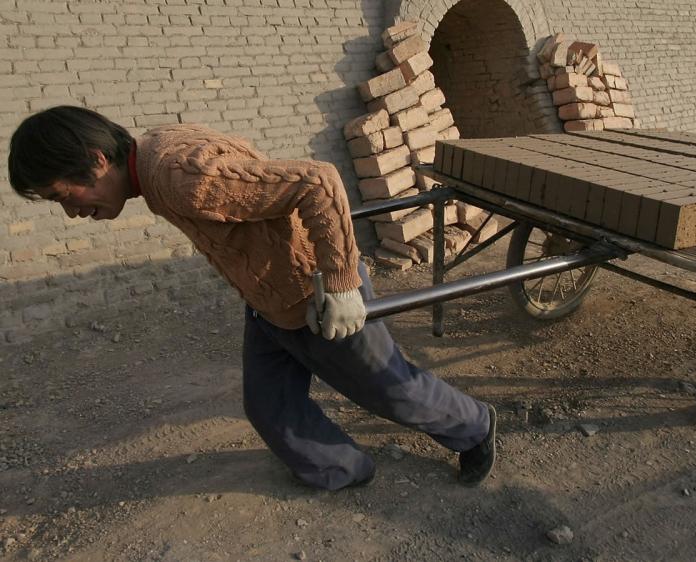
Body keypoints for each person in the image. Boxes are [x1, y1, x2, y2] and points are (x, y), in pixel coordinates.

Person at [7, 105, 496, 491]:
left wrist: (343, 284)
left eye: (62, 195)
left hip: (315, 297)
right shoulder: (153, 151)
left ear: (97, 160)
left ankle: (474, 425)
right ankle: (343, 471)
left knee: (391, 389)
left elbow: (318, 181)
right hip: (267, 300)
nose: (71, 213)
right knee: (270, 405)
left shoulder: (178, 176)